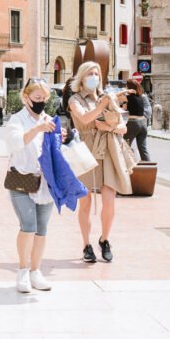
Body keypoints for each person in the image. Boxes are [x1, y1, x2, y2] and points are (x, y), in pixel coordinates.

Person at [68, 62, 133, 264]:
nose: (94, 77)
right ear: (81, 77)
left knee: (109, 199)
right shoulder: (75, 99)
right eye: (90, 74)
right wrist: (101, 106)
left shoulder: (107, 97)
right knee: (85, 201)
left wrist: (109, 127)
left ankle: (104, 240)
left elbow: (123, 127)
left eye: (96, 74)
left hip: (108, 150)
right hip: (85, 150)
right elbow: (84, 119)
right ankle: (86, 244)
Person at [2, 78, 57, 293]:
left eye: (44, 98)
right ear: (26, 98)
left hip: (45, 182)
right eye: (37, 97)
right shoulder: (17, 120)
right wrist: (37, 129)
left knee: (42, 229)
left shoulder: (48, 119)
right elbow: (15, 143)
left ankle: (36, 271)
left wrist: (62, 137)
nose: (41, 102)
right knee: (28, 226)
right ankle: (23, 270)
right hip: (22, 180)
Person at [124, 78, 150, 162]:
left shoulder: (127, 97)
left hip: (133, 123)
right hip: (143, 123)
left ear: (129, 87)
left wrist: (125, 92)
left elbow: (123, 108)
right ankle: (148, 166)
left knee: (125, 145)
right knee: (142, 148)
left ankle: (128, 164)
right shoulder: (141, 97)